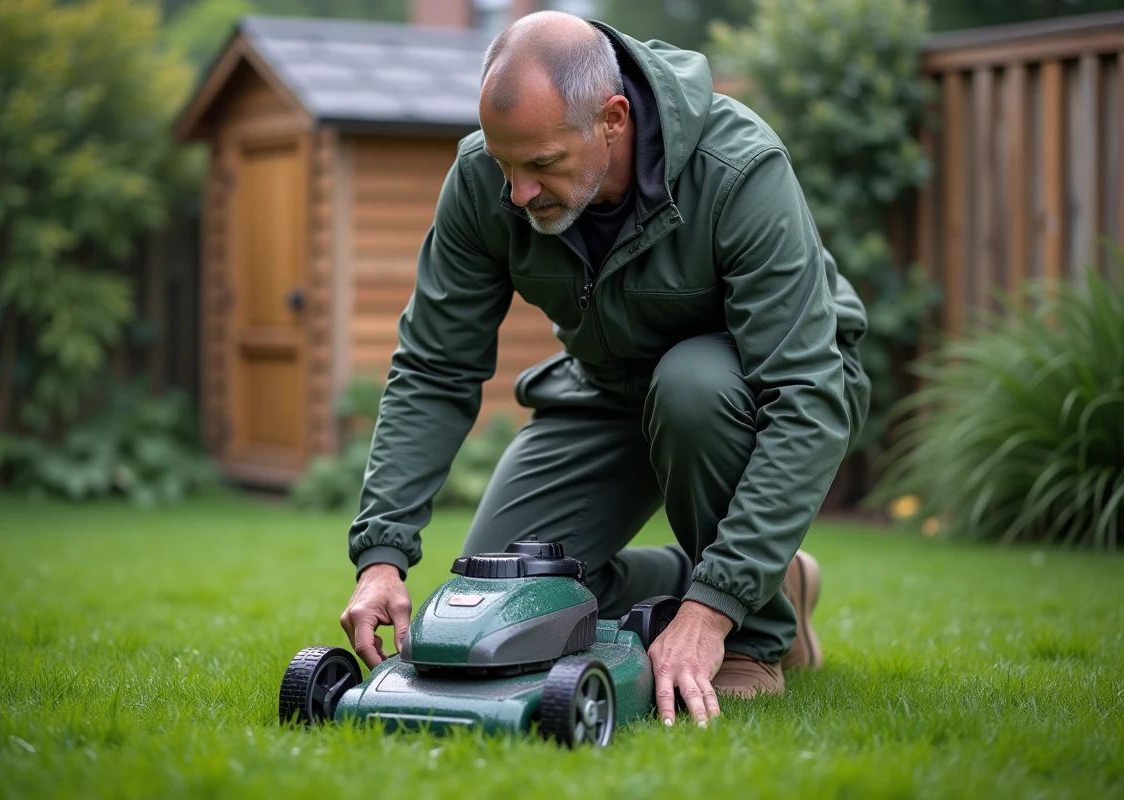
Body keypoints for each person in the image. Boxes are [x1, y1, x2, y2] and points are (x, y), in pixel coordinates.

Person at [339, 10, 870, 727]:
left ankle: (752, 634)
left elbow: (805, 393)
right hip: (608, 386)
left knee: (692, 384)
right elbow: (435, 365)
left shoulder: (738, 169)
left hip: (751, 386)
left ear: (613, 120)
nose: (518, 193)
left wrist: (715, 609)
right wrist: (381, 554)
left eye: (542, 165)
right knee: (508, 595)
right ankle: (758, 578)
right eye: (504, 164)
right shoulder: (483, 180)